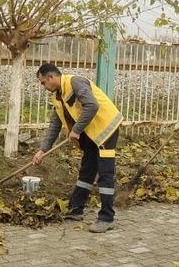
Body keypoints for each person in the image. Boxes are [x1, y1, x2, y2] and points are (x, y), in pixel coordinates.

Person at [32, 63, 123, 233]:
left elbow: (92, 105)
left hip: (106, 129)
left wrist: (76, 130)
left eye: (43, 82)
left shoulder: (75, 82)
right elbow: (55, 125)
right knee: (87, 169)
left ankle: (106, 218)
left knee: (105, 173)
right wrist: (42, 150)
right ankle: (76, 209)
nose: (44, 87)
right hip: (90, 132)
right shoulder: (57, 97)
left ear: (52, 77)